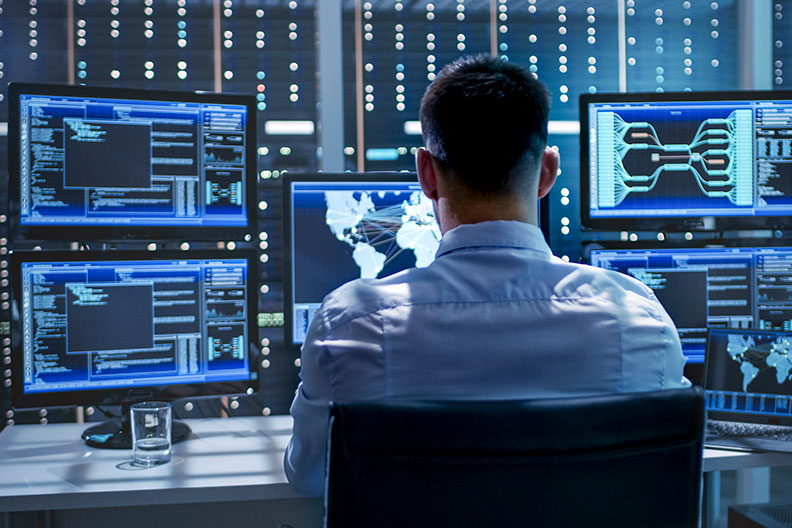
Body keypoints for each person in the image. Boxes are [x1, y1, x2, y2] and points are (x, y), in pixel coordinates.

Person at [284, 54, 689, 496]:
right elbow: (663, 475)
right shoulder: (638, 318)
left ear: (426, 173)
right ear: (548, 172)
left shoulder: (351, 323)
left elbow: (309, 477)